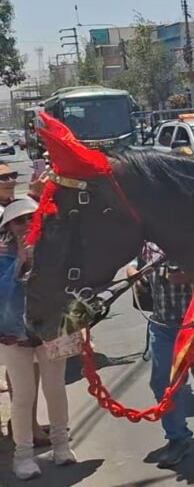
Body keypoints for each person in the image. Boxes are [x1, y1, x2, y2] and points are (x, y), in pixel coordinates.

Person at [0, 198, 77, 480]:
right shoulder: (2, 255)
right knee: (23, 395)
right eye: (19, 220)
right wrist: (19, 263)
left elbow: (71, 286)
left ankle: (61, 445)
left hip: (52, 328)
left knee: (55, 388)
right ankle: (22, 456)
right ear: (8, 226)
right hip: (12, 334)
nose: (26, 224)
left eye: (32, 217)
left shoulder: (56, 248)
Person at [127, 242, 194, 468]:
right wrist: (134, 273)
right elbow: (133, 263)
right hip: (162, 324)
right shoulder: (148, 243)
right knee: (162, 383)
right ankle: (178, 438)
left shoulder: (189, 237)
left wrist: (186, 273)